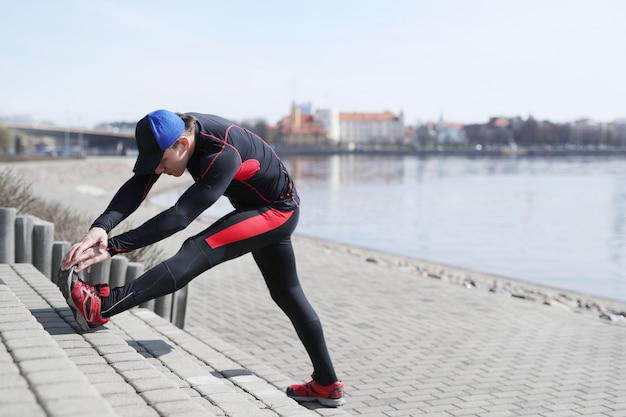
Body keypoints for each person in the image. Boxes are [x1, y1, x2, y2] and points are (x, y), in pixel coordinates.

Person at [59, 109, 345, 407]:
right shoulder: (177, 132)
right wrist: (100, 228)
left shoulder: (221, 152)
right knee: (287, 294)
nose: (157, 171)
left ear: (182, 145)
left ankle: (102, 306)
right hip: (260, 206)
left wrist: (113, 246)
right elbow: (137, 186)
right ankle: (327, 384)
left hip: (276, 210)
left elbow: (180, 216)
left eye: (161, 163)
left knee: (197, 248)